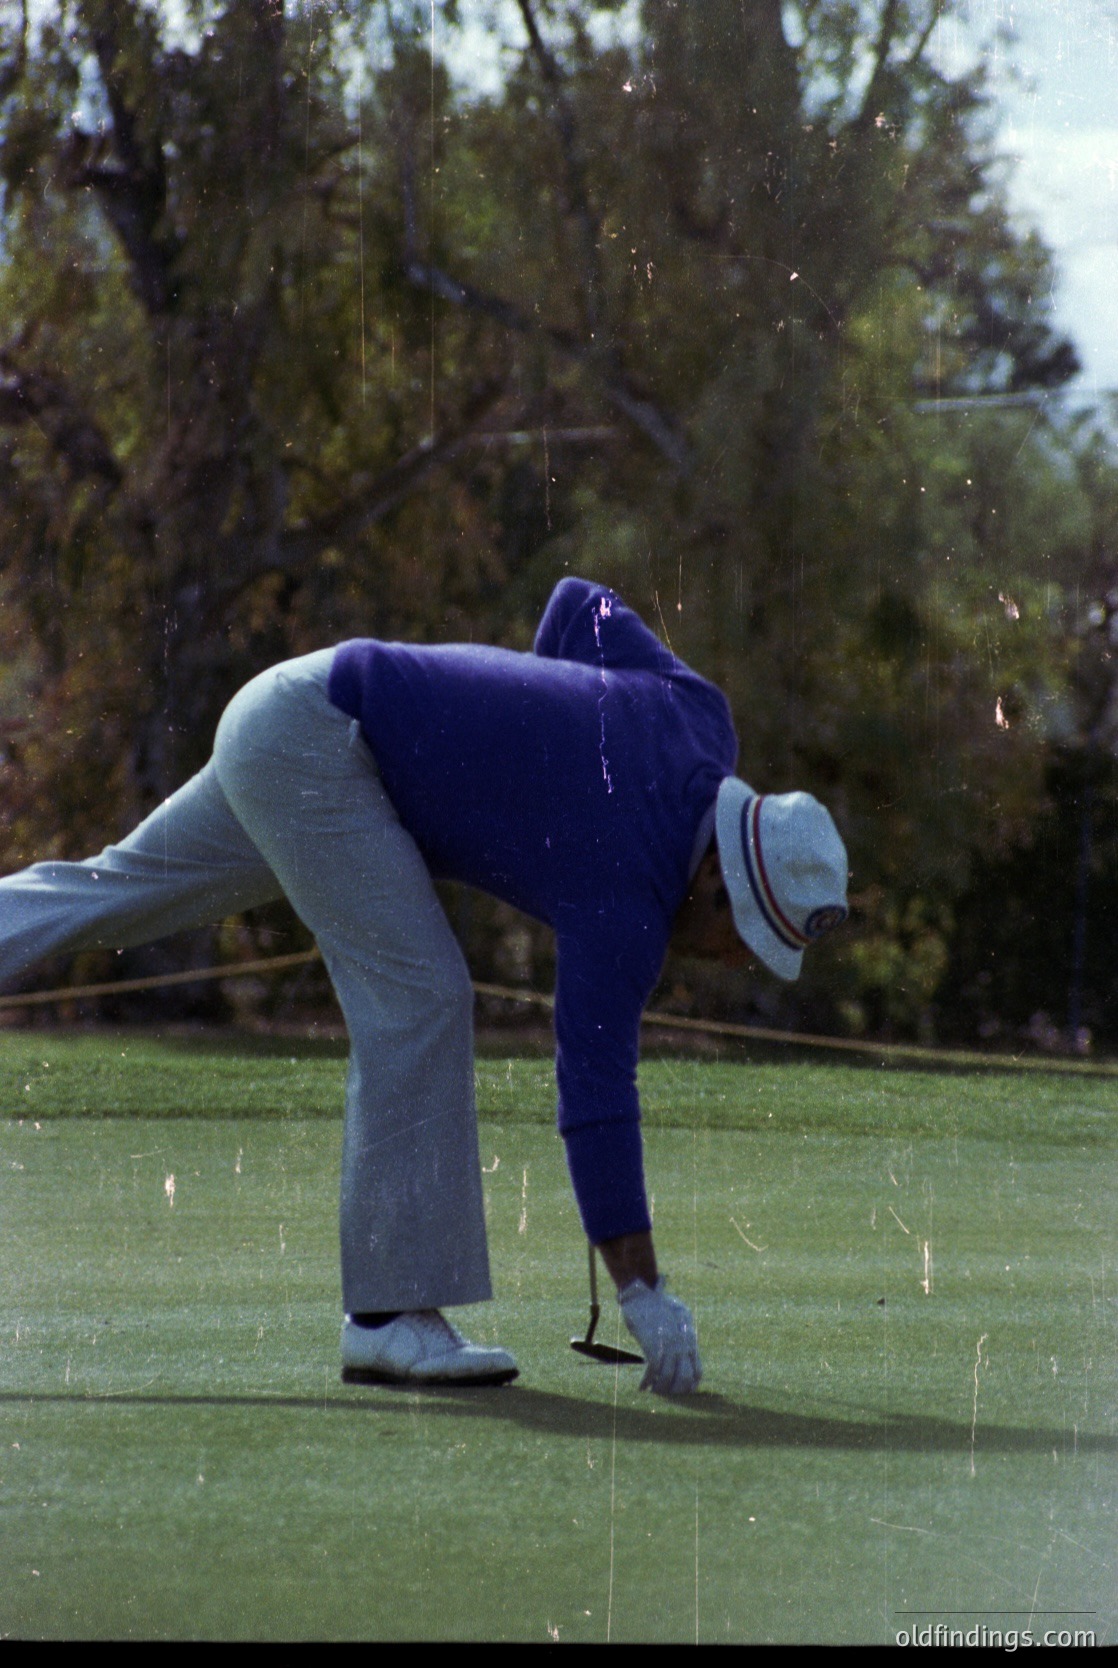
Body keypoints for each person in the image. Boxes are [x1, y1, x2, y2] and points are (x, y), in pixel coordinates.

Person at [0, 577, 848, 1395]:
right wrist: (641, 1290)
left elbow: (573, 604)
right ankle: (385, 1317)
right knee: (424, 998)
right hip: (324, 744)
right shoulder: (628, 896)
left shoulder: (703, 721)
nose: (733, 964)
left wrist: (521, 754)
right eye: (742, 940)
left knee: (114, 894)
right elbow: (596, 1094)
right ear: (716, 875)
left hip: (291, 703)